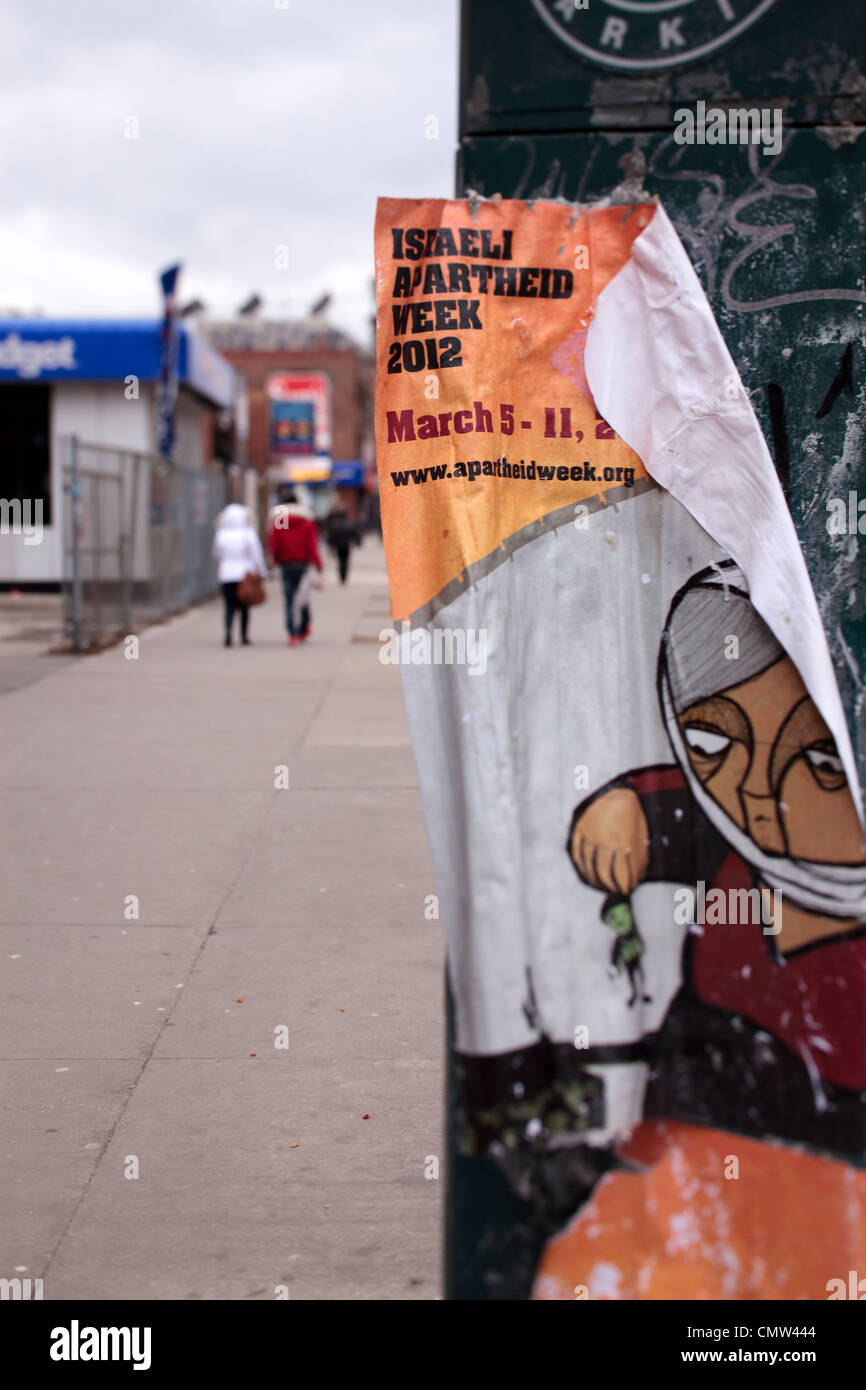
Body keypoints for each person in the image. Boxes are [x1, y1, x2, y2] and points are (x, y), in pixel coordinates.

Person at [267, 488, 323, 645]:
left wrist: (276, 561)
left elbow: (275, 544)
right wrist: (318, 565)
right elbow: (312, 544)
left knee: (289, 599)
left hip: (286, 565)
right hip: (302, 565)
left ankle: (292, 633)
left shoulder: (281, 519)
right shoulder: (306, 519)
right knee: (303, 598)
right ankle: (304, 627)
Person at [212, 503, 267, 647]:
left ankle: (228, 633)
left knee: (229, 606)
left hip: (226, 574)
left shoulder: (221, 534)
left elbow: (216, 554)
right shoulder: (248, 533)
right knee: (244, 607)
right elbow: (257, 555)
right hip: (244, 574)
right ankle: (244, 636)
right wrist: (262, 571)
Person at [326, 505, 360, 584]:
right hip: (346, 545)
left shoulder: (335, 524)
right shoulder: (348, 523)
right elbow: (354, 534)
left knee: (340, 561)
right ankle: (344, 577)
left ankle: (341, 577)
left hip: (339, 546)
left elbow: (332, 536)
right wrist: (356, 542)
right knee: (345, 561)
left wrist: (331, 545)